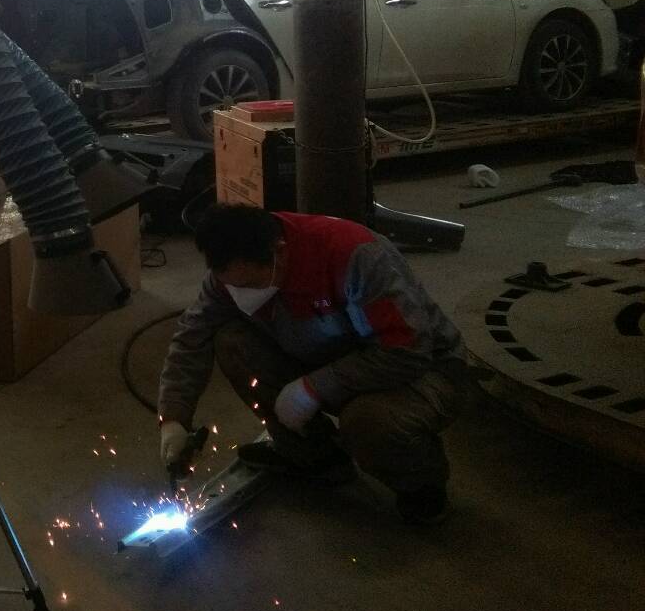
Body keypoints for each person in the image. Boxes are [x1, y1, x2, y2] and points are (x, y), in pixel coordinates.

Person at [157, 205, 474, 525]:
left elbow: (405, 351)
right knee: (232, 341)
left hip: (423, 369)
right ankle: (316, 459)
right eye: (232, 285)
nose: (241, 294)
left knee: (368, 422)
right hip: (329, 356)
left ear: (279, 252)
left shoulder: (355, 256)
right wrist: (173, 418)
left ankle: (422, 486)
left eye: (250, 284)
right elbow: (192, 337)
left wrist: (314, 388)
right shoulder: (233, 270)